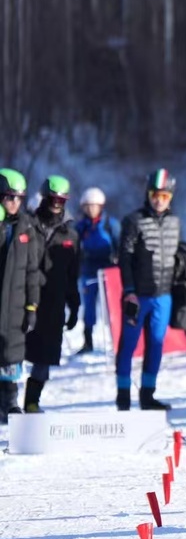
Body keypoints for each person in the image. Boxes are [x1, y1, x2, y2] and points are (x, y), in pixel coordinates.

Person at [117, 169, 182, 411]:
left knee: (156, 344)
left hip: (163, 295)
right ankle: (123, 398)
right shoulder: (133, 220)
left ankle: (148, 395)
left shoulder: (176, 222)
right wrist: (129, 290)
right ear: (148, 194)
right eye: (155, 195)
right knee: (128, 346)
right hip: (138, 296)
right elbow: (125, 257)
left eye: (164, 196)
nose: (158, 200)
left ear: (171, 198)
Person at [23, 177, 80, 412]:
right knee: (11, 352)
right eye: (53, 199)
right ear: (44, 197)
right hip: (24, 298)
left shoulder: (70, 235)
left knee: (44, 356)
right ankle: (6, 402)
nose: (57, 204)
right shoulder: (26, 225)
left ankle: (31, 402)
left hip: (53, 303)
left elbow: (72, 274)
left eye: (62, 200)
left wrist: (74, 305)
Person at [0, 170, 41, 423]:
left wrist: (31, 306)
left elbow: (33, 270)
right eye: (9, 197)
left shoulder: (27, 227)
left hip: (16, 304)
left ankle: (11, 402)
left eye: (19, 198)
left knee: (12, 353)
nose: (14, 203)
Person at [73, 187, 121, 354]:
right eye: (87, 206)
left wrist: (117, 261)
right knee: (89, 308)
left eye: (95, 206)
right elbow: (74, 247)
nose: (91, 209)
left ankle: (117, 339)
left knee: (113, 307)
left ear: (101, 206)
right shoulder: (81, 227)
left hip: (109, 272)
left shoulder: (110, 224)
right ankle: (88, 341)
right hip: (89, 272)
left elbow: (120, 245)